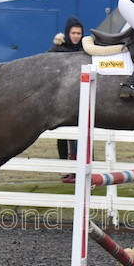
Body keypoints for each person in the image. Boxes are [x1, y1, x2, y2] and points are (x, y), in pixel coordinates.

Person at [48, 16, 85, 175]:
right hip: (62, 101)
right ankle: (64, 167)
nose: (76, 36)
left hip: (81, 99)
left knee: (82, 135)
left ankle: (82, 168)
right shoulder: (56, 50)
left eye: (79, 33)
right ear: (67, 33)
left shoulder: (85, 50)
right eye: (73, 33)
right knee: (63, 135)